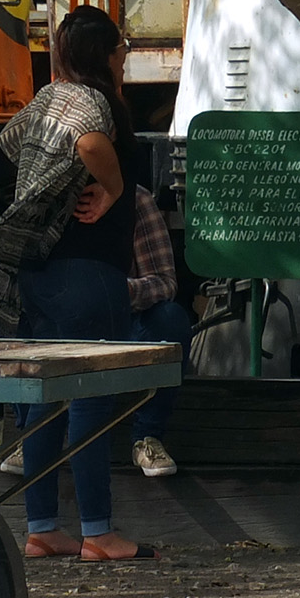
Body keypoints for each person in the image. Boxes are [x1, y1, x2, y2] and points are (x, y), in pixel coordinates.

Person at [1, 4, 157, 561]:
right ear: (110, 55)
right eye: (123, 51)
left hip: (41, 272)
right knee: (92, 398)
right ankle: (98, 531)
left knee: (46, 402)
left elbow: (8, 139)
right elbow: (91, 145)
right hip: (90, 271)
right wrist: (110, 186)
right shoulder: (97, 103)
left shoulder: (49, 100)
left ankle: (42, 525)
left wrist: (49, 187)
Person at [125, 185, 188, 476]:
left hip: (124, 323)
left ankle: (147, 439)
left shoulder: (135, 199)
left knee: (170, 319)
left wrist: (121, 290)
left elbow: (165, 282)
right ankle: (27, 434)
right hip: (66, 323)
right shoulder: (46, 194)